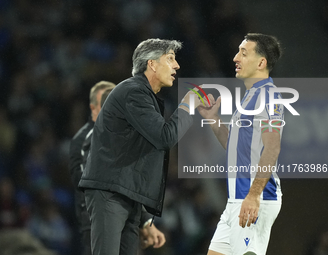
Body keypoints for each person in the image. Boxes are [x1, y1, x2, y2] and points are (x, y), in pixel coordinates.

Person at [79, 38, 208, 255]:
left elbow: (135, 159)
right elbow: (166, 137)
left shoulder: (145, 97)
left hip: (127, 198)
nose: (176, 65)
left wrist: (145, 221)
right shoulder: (134, 92)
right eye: (170, 59)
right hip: (110, 194)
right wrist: (189, 102)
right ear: (152, 64)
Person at [199, 33, 283, 255]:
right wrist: (213, 120)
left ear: (261, 62)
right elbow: (235, 148)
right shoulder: (249, 97)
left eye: (243, 53)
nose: (236, 57)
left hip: (255, 197)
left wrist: (254, 195)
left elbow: (272, 147)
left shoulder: (269, 96)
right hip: (236, 199)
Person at [69, 81, 166, 255]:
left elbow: (128, 183)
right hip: (96, 220)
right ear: (94, 108)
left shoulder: (123, 138)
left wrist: (144, 222)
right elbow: (86, 182)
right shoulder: (83, 140)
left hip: (125, 215)